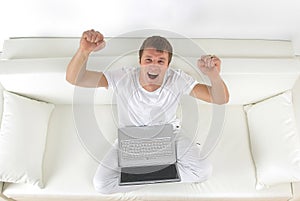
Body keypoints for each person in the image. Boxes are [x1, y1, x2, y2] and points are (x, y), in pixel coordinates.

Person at [66, 29, 229, 194]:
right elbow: (75, 79)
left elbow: (220, 99)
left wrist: (213, 75)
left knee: (203, 171)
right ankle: (163, 175)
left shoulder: (177, 78)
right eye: (148, 59)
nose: (153, 65)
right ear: (140, 61)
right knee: (101, 184)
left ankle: (150, 175)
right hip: (131, 139)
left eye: (160, 61)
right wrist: (84, 51)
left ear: (167, 65)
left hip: (169, 135)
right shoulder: (123, 77)